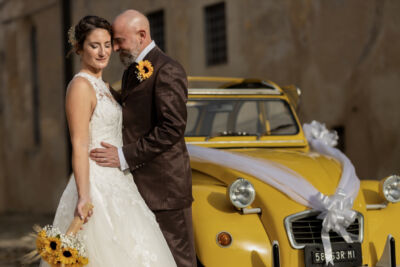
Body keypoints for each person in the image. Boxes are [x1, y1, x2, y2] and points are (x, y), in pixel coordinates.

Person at [41, 15, 177, 267]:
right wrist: (84, 195)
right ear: (79, 48)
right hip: (96, 184)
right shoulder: (81, 86)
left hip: (120, 181)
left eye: (107, 44)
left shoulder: (102, 85)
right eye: (94, 45)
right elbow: (80, 143)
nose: (103, 52)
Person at [89, 10, 196, 267]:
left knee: (179, 261)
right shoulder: (131, 71)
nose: (114, 48)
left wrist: (123, 156)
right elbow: (131, 113)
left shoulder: (167, 70)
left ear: (142, 35)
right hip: (137, 187)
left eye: (119, 41)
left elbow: (172, 127)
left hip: (165, 190)